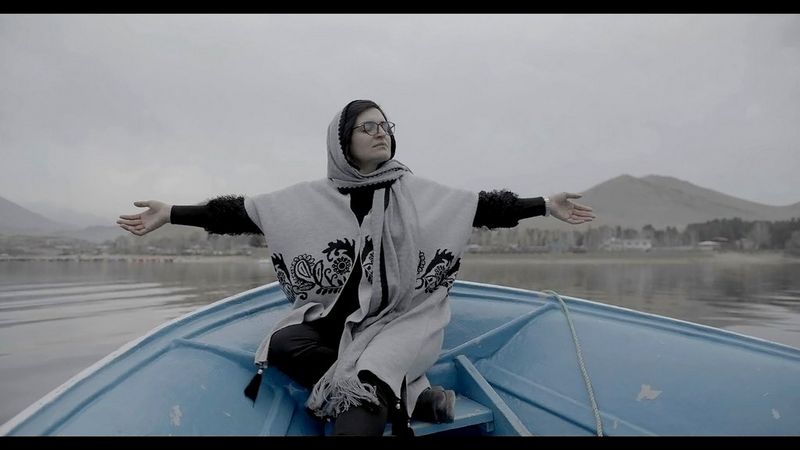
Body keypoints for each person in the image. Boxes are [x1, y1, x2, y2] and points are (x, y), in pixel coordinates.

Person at [117, 99, 595, 436]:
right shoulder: (310, 199)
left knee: (361, 388)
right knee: (284, 342)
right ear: (342, 141)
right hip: (340, 324)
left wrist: (545, 205)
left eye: (385, 124)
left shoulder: (418, 193)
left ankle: (375, 388)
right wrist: (172, 213)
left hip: (402, 321)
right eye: (366, 126)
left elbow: (484, 206)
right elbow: (239, 210)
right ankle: (415, 396)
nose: (380, 131)